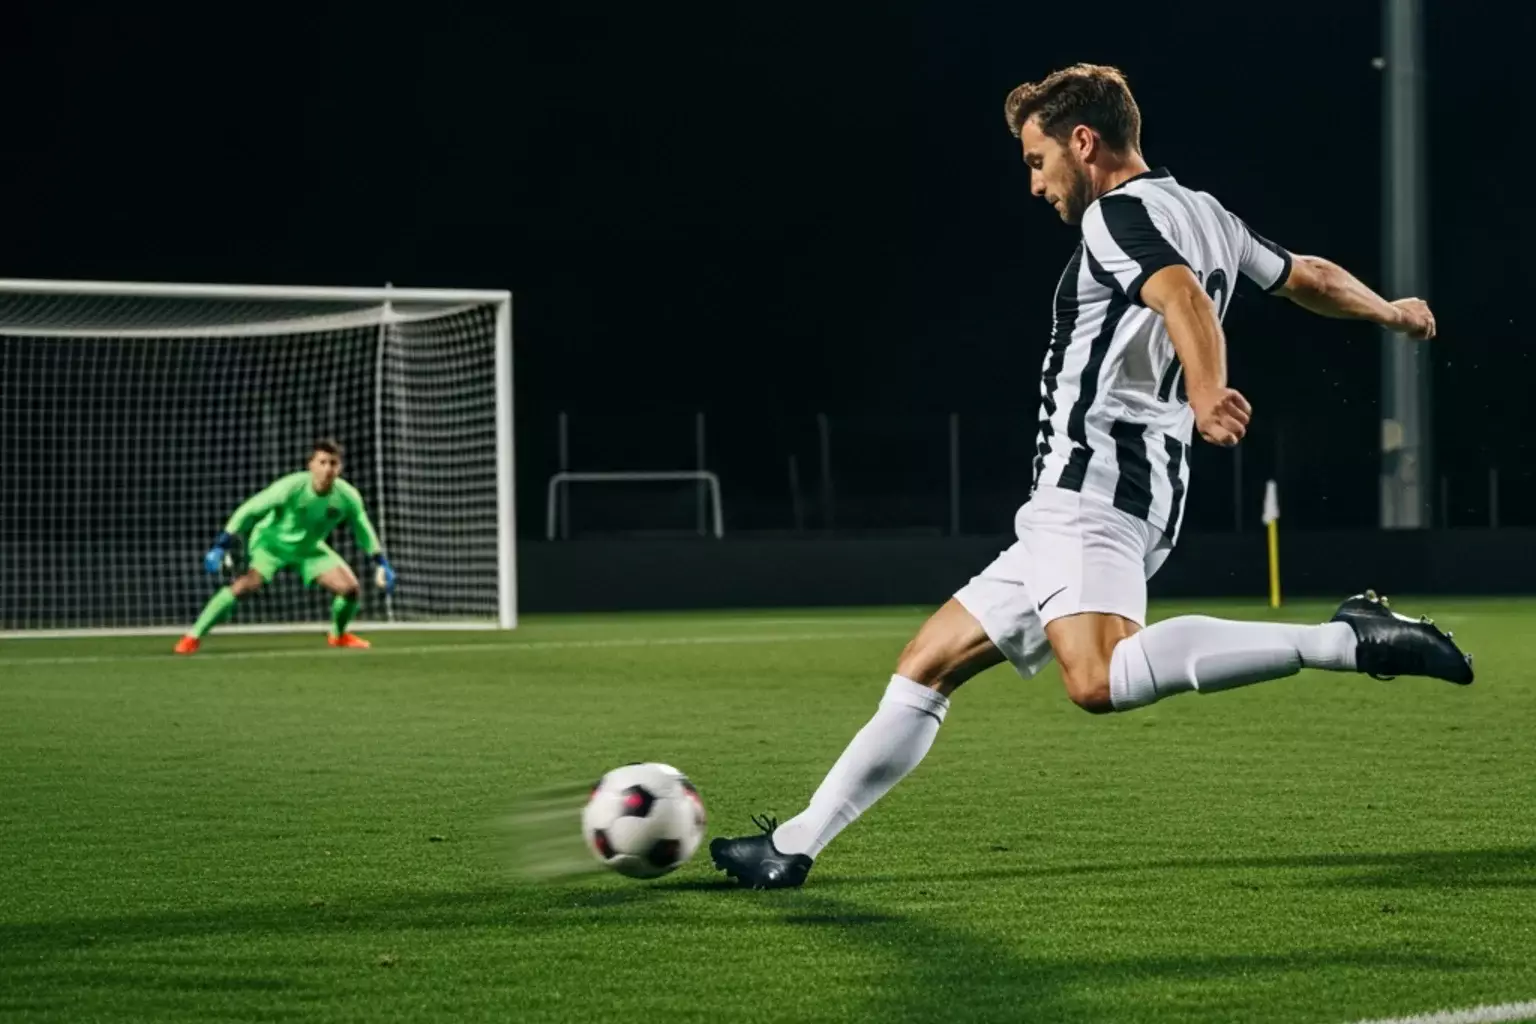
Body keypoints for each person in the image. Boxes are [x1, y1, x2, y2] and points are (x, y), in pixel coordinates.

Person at [709, 64, 1472, 889]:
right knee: (926, 664)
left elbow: (1182, 295)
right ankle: (793, 845)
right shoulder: (1208, 213)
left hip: (1097, 490)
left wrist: (1209, 390)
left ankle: (1344, 639)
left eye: (1039, 162)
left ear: (1085, 142)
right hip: (1094, 503)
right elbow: (1307, 278)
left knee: (1099, 678)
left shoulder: (1117, 215)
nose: (1035, 184)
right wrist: (1389, 310)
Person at [174, 439, 396, 654]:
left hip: (308, 549)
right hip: (271, 545)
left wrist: (380, 561)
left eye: (333, 463)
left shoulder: (347, 497)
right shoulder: (290, 487)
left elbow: (362, 528)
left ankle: (338, 636)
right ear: (311, 465)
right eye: (322, 462)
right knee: (245, 587)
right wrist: (221, 545)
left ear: (340, 467)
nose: (327, 469)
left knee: (350, 590)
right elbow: (250, 510)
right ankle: (193, 636)